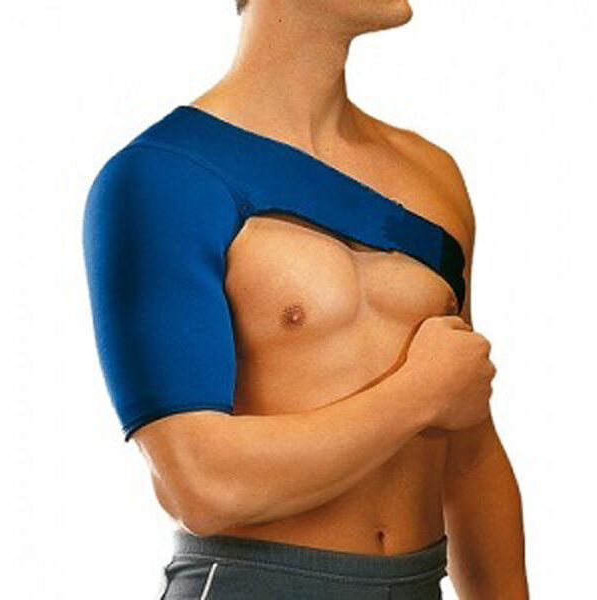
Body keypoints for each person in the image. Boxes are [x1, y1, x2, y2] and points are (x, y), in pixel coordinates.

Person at [82, 0, 529, 598]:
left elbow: (468, 450)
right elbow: (201, 485)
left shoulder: (432, 175)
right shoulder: (162, 179)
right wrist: (417, 395)